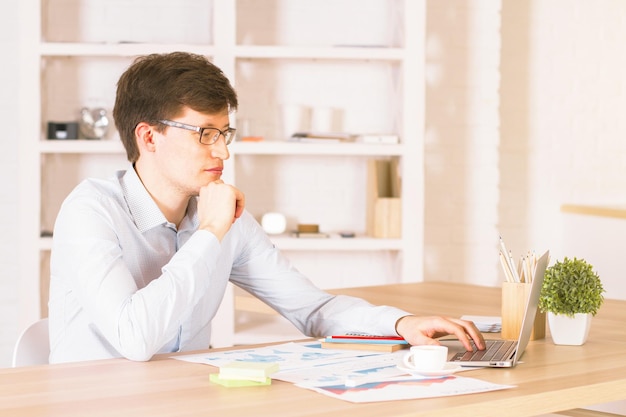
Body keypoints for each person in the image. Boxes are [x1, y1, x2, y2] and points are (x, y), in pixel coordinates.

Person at [48, 52, 485, 363]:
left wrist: (401, 324)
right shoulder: (91, 211)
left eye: (225, 132)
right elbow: (135, 339)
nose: (222, 150)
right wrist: (210, 234)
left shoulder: (221, 215)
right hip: (94, 402)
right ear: (148, 137)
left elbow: (310, 309)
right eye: (204, 133)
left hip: (180, 400)